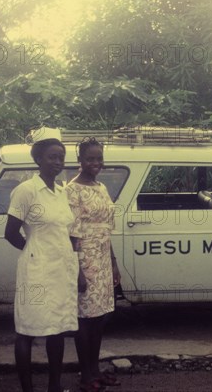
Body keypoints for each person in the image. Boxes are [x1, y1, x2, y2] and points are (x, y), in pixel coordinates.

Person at [4, 138, 79, 392]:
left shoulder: (61, 192)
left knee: (56, 330)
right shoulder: (26, 191)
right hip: (35, 272)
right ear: (38, 160)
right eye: (51, 156)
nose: (58, 161)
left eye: (61, 156)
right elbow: (11, 232)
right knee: (27, 329)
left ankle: (54, 387)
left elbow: (65, 233)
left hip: (61, 271)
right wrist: (34, 251)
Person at [66, 137, 121, 392]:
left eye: (99, 158)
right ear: (80, 160)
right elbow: (72, 234)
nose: (96, 162)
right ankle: (85, 376)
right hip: (84, 259)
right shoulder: (72, 190)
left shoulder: (100, 187)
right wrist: (77, 269)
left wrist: (113, 262)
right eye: (90, 158)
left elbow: (106, 229)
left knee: (100, 318)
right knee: (85, 321)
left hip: (102, 258)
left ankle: (96, 370)